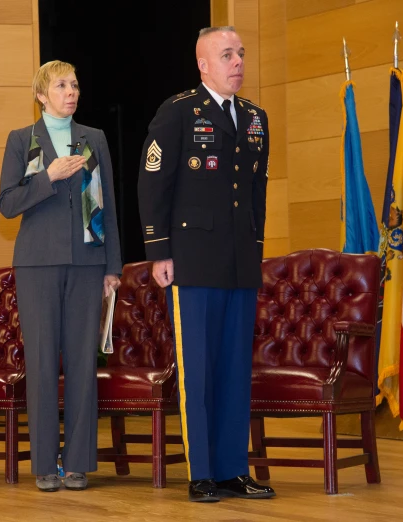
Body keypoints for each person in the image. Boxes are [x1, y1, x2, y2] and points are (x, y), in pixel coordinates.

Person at [137, 27, 275, 502]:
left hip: (240, 263)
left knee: (236, 369)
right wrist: (158, 251)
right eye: (226, 54)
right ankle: (201, 473)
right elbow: (153, 184)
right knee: (197, 369)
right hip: (193, 262)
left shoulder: (256, 118)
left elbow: (256, 193)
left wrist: (255, 250)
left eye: (240, 53)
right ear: (203, 64)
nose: (237, 61)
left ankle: (234, 468)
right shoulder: (178, 112)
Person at [0, 60, 122, 492]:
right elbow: (7, 203)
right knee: (43, 363)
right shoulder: (22, 140)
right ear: (41, 94)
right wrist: (48, 177)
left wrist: (112, 266)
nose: (71, 91)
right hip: (37, 264)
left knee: (84, 363)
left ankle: (78, 463)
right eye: (62, 85)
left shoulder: (95, 139)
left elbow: (108, 203)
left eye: (75, 84)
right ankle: (44, 464)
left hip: (88, 263)